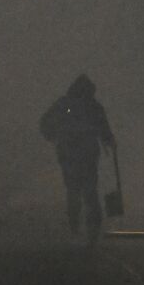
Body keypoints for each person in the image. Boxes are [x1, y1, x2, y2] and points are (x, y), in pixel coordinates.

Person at [39, 74, 116, 245]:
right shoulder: (93, 106)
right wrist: (109, 141)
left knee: (73, 189)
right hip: (86, 152)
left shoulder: (65, 103)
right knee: (89, 189)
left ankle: (76, 226)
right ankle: (92, 228)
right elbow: (104, 129)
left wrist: (53, 136)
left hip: (68, 152)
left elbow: (44, 122)